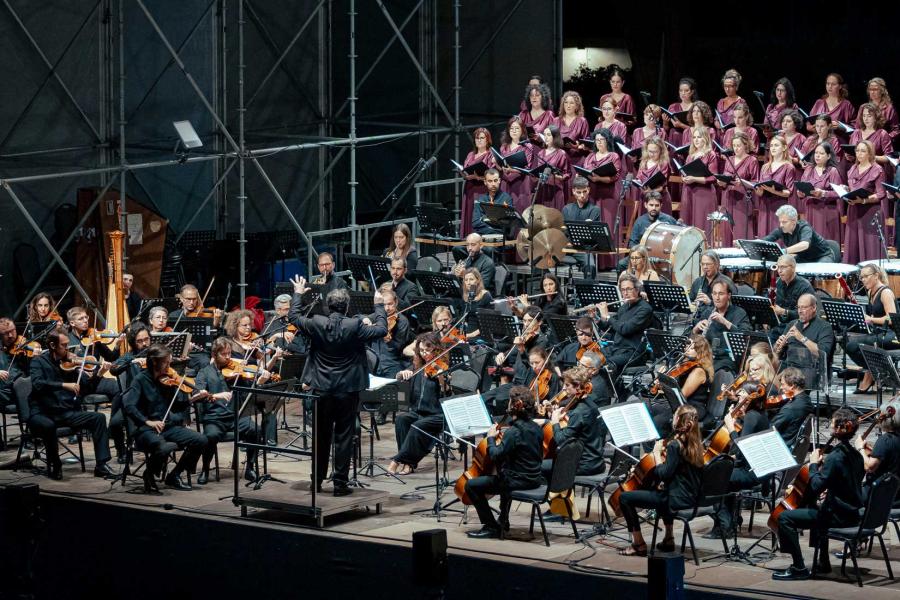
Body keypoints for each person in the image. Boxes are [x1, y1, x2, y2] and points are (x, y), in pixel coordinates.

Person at [288, 278, 388, 495]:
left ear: (328, 305)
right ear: (347, 306)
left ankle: (316, 482)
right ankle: (340, 484)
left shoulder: (316, 322)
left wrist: (298, 294)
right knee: (343, 437)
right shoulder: (355, 326)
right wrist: (379, 305)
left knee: (320, 436)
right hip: (347, 390)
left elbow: (293, 317)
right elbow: (381, 330)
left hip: (322, 388)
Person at [772, 408, 864, 581]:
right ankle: (823, 561)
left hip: (837, 516)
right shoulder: (856, 455)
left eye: (832, 423)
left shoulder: (835, 457)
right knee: (814, 506)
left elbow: (815, 486)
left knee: (784, 518)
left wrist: (814, 464)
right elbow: (844, 482)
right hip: (852, 513)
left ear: (841, 428)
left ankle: (798, 567)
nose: (829, 425)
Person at [28, 325, 118, 480]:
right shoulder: (38, 362)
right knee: (48, 426)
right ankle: (55, 464)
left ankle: (101, 465)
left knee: (98, 418)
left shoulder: (70, 364)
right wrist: (63, 385)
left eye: (67, 345)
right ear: (52, 346)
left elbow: (87, 387)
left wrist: (100, 373)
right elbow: (38, 384)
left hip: (65, 412)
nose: (68, 349)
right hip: (43, 413)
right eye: (64, 345)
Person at [616, 404, 704, 557]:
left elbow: (664, 473)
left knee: (624, 498)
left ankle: (638, 543)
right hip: (691, 497)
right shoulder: (696, 444)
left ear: (678, 421)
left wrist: (656, 454)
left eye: (675, 415)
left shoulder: (675, 445)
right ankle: (668, 538)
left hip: (675, 500)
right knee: (660, 489)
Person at [122, 344, 208, 492]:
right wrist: (148, 421)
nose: (170, 367)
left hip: (166, 426)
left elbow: (175, 407)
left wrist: (193, 399)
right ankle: (148, 474)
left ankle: (174, 475)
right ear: (155, 362)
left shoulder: (166, 380)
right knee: (165, 446)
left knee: (201, 440)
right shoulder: (140, 380)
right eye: (166, 363)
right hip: (145, 430)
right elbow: (129, 406)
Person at [464, 385, 544, 539]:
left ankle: (490, 526)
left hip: (518, 481)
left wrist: (491, 438)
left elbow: (494, 455)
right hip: (534, 478)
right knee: (504, 471)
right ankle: (503, 521)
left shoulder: (514, 432)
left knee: (471, 486)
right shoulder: (535, 427)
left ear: (514, 406)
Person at [192, 337, 264, 485]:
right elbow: (196, 394)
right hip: (214, 418)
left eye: (229, 353)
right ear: (214, 355)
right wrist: (212, 395)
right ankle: (205, 469)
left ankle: (250, 467)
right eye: (223, 354)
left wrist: (259, 379)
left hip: (234, 417)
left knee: (255, 430)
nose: (227, 357)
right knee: (210, 435)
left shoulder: (236, 371)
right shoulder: (204, 373)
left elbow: (250, 389)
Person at [389, 333, 449, 475]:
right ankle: (408, 463)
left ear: (437, 350)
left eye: (428, 350)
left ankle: (397, 460)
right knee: (401, 419)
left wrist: (440, 376)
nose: (425, 354)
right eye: (421, 350)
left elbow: (446, 389)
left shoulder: (443, 368)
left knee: (417, 426)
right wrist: (402, 374)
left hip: (437, 415)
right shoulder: (418, 366)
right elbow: (399, 377)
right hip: (418, 412)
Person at [844, 264, 897, 393]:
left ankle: (871, 372)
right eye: (861, 277)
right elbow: (875, 314)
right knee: (846, 342)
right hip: (878, 332)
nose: (862, 280)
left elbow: (891, 319)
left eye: (866, 276)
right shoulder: (870, 292)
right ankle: (874, 370)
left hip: (892, 334)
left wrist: (870, 319)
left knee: (853, 345)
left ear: (876, 276)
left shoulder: (886, 293)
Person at [545, 367, 606, 477]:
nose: (564, 389)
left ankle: (554, 493)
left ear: (578, 386)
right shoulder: (591, 404)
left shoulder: (579, 412)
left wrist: (554, 422)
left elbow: (561, 441)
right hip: (597, 461)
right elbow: (579, 429)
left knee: (540, 466)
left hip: (583, 464)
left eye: (567, 385)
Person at [650, 335, 713, 438]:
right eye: (687, 346)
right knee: (649, 410)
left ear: (700, 352)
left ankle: (659, 449)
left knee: (658, 422)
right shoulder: (685, 364)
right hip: (679, 404)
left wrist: (664, 384)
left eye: (692, 348)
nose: (687, 350)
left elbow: (682, 394)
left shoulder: (699, 371)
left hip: (692, 408)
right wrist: (661, 382)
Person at [594, 273, 654, 374]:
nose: (625, 293)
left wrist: (608, 316)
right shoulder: (624, 307)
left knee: (606, 365)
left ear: (637, 289)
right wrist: (597, 317)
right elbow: (611, 328)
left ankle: (610, 389)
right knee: (589, 358)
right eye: (623, 290)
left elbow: (625, 329)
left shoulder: (645, 309)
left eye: (628, 289)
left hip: (632, 352)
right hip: (616, 349)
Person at [773, 293, 835, 390]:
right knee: (770, 386)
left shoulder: (825, 327)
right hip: (789, 368)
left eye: (804, 307)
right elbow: (777, 354)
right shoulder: (792, 324)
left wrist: (802, 338)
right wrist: (778, 346)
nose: (800, 311)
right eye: (798, 307)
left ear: (814, 308)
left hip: (810, 370)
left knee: (789, 388)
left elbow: (823, 353)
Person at [692, 278, 751, 373]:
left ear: (729, 296)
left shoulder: (739, 313)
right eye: (714, 294)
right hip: (708, 357)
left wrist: (725, 322)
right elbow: (694, 340)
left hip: (727, 360)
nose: (717, 297)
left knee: (702, 371)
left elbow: (746, 336)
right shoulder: (707, 312)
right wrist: (696, 329)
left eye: (721, 294)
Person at [582, 127, 621, 268]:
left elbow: (615, 176)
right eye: (597, 140)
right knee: (593, 225)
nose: (599, 142)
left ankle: (608, 263)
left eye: (602, 140)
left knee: (607, 226)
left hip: (608, 195)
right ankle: (594, 263)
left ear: (607, 141)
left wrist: (599, 178)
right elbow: (586, 171)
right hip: (593, 194)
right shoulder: (590, 156)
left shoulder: (613, 156)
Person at [844, 140, 886, 264]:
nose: (859, 153)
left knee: (869, 246)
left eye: (863, 151)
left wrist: (863, 200)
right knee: (853, 244)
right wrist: (845, 190)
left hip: (870, 212)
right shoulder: (853, 168)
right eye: (857, 150)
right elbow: (852, 187)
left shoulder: (877, 169)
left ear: (870, 153)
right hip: (853, 210)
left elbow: (881, 193)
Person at [796, 141, 844, 244]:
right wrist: (801, 193)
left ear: (828, 156)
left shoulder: (832, 171)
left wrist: (823, 193)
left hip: (827, 210)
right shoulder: (809, 169)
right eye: (816, 153)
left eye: (821, 153)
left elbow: (839, 193)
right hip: (811, 209)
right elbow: (802, 187)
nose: (817, 156)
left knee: (825, 239)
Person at [854, 398, 900, 503]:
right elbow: (893, 457)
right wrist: (872, 451)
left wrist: (860, 447)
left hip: (879, 494)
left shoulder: (885, 440)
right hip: (896, 494)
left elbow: (869, 467)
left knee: (843, 493)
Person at [718, 132, 760, 244]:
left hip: (742, 199)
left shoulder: (752, 160)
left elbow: (755, 182)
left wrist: (742, 183)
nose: (736, 148)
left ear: (745, 145)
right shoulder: (729, 159)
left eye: (739, 145)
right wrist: (721, 183)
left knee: (741, 229)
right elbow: (725, 177)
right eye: (734, 145)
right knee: (727, 228)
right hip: (728, 197)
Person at [762, 204, 834, 263]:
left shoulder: (804, 227)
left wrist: (784, 251)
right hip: (804, 258)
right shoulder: (781, 230)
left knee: (818, 275)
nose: (781, 225)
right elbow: (764, 241)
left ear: (794, 221)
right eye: (780, 222)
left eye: (784, 222)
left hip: (822, 256)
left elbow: (804, 244)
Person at [754, 136, 796, 238]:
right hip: (764, 205)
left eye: (776, 145)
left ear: (784, 148)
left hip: (779, 205)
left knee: (777, 235)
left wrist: (774, 191)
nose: (773, 148)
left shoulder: (788, 167)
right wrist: (758, 191)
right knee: (764, 234)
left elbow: (788, 192)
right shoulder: (765, 167)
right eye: (771, 145)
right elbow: (760, 191)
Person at [679, 127, 718, 236]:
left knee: (702, 224)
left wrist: (694, 179)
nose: (696, 140)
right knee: (688, 223)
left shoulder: (711, 154)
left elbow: (713, 177)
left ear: (705, 138)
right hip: (689, 191)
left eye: (699, 137)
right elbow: (685, 172)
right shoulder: (690, 155)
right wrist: (684, 177)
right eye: (694, 137)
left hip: (703, 193)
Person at [365, 288, 410, 379]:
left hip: (391, 364)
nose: (387, 308)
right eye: (383, 305)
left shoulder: (402, 321)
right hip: (373, 362)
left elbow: (400, 348)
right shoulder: (376, 317)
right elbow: (357, 318)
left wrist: (389, 341)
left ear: (396, 302)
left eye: (390, 304)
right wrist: (363, 319)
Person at [458, 128, 494, 237]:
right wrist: (464, 174)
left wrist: (479, 177)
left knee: (478, 216)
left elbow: (493, 176)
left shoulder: (490, 155)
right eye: (477, 138)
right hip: (469, 188)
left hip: (482, 190)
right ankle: (467, 241)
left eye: (482, 138)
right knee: (469, 214)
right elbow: (465, 168)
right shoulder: (470, 154)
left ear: (487, 140)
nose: (479, 140)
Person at [562, 176, 601, 277]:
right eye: (579, 192)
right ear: (573, 191)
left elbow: (594, 236)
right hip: (566, 247)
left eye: (584, 191)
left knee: (590, 266)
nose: (582, 195)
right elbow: (563, 231)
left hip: (583, 248)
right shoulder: (567, 209)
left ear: (588, 190)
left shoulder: (594, 210)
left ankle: (587, 290)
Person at [498, 116, 534, 214]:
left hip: (521, 184)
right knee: (505, 212)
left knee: (520, 211)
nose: (514, 131)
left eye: (517, 128)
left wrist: (511, 170)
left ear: (522, 130)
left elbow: (527, 167)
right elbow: (502, 166)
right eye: (511, 128)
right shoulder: (504, 147)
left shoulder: (527, 146)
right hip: (506, 183)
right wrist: (496, 164)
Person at [771, 254, 815, 335]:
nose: (779, 271)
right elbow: (774, 305)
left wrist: (783, 311)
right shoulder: (778, 283)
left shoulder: (804, 287)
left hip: (797, 329)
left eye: (783, 267)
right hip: (778, 326)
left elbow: (807, 314)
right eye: (778, 267)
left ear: (793, 268)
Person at [805, 73, 855, 140]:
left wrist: (840, 127)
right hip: (819, 140)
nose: (830, 86)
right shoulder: (819, 103)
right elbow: (810, 121)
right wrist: (809, 126)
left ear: (840, 86)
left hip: (837, 141)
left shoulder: (846, 104)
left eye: (833, 84)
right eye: (828, 84)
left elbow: (854, 127)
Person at [690, 251, 736, 319]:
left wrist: (710, 302)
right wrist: (692, 306)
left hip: (718, 321)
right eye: (702, 264)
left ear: (716, 264)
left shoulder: (726, 282)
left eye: (708, 264)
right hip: (699, 321)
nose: (705, 267)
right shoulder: (698, 282)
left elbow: (732, 307)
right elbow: (690, 300)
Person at [535, 124, 571, 211]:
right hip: (542, 189)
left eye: (548, 135)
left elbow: (567, 174)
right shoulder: (540, 153)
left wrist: (558, 177)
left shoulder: (561, 154)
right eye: (544, 134)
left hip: (556, 190)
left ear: (555, 137)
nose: (546, 137)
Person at [633, 137, 672, 214]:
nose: (652, 154)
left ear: (661, 151)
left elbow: (662, 186)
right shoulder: (643, 162)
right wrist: (639, 184)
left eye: (655, 152)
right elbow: (639, 179)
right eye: (650, 151)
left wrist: (651, 191)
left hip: (660, 199)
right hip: (646, 199)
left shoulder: (663, 163)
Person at [472, 168, 514, 238]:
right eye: (490, 181)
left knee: (488, 249)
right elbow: (475, 222)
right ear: (485, 182)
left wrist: (485, 219)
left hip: (501, 237)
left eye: (495, 180)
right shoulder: (480, 200)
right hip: (482, 235)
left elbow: (507, 223)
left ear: (499, 181)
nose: (493, 184)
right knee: (459, 248)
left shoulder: (507, 199)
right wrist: (493, 226)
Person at [856, 77, 899, 143]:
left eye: (875, 89)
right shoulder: (863, 107)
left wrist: (885, 138)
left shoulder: (889, 108)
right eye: (870, 89)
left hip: (881, 144)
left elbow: (896, 130)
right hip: (865, 143)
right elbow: (858, 128)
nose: (872, 92)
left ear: (882, 91)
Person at [556, 90, 590, 167]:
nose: (568, 105)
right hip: (559, 160)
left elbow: (587, 146)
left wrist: (577, 147)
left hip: (577, 160)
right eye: (566, 102)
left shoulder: (582, 121)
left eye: (571, 103)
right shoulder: (556, 120)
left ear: (577, 106)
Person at [459, 268, 493, 340]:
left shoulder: (486, 295)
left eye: (471, 279)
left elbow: (489, 323)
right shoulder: (465, 296)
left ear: (477, 280)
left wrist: (471, 335)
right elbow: (463, 318)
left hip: (480, 334)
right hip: (467, 332)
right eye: (466, 280)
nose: (468, 282)